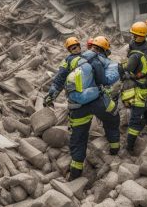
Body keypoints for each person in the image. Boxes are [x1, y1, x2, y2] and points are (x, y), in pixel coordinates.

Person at [45, 35, 120, 180]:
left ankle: (75, 172)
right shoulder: (101, 59)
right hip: (98, 100)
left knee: (78, 138)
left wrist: (51, 96)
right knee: (112, 117)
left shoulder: (70, 60)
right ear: (104, 50)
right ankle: (115, 149)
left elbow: (59, 79)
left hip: (77, 105)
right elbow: (109, 79)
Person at [120, 21, 147, 152]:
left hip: (140, 91)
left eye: (134, 35)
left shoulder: (136, 55)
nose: (132, 37)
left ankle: (129, 146)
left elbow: (127, 71)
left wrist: (122, 70)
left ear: (139, 36)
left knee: (135, 120)